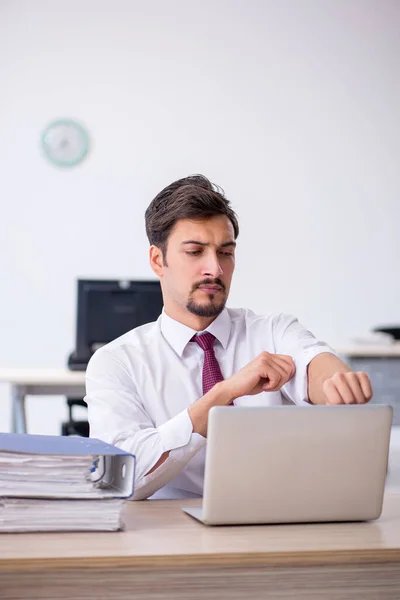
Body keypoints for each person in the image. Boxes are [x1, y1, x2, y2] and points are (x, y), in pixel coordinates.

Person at [85, 175, 373, 500]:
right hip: (167, 534)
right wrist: (221, 396)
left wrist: (335, 383)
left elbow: (312, 361)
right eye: (195, 252)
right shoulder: (117, 362)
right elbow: (120, 478)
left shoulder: (272, 331)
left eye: (225, 252)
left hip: (269, 524)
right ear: (157, 260)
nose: (215, 269)